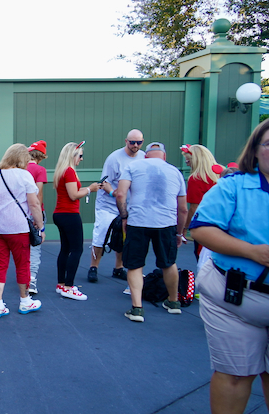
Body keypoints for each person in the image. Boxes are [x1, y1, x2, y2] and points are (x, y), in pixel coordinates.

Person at [189, 121, 269, 414]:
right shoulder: (234, 186)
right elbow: (201, 227)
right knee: (237, 373)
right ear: (255, 150)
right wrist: (253, 252)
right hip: (235, 298)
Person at [116, 142, 187, 322]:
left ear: (145, 155)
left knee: (135, 265)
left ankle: (137, 308)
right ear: (164, 156)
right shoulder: (175, 172)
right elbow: (183, 209)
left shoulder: (132, 167)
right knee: (168, 263)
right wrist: (179, 233)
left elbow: (120, 194)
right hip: (166, 223)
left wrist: (124, 217)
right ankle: (173, 302)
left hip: (138, 221)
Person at [0, 144, 44, 317]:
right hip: (17, 227)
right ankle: (25, 301)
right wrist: (40, 225)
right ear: (22, 158)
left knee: (0, 264)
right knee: (22, 264)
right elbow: (34, 203)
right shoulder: (24, 175)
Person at [88, 130, 145, 283]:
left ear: (142, 142)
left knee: (123, 236)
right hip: (108, 204)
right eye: (132, 142)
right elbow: (105, 183)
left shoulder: (143, 157)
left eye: (138, 142)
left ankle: (118, 268)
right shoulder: (114, 159)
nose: (135, 145)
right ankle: (94, 267)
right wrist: (114, 194)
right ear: (126, 141)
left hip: (129, 205)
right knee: (101, 234)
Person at [53, 141, 99, 300]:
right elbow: (73, 195)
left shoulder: (61, 171)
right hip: (69, 214)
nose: (81, 159)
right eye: (80, 155)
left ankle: (61, 284)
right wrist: (89, 189)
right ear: (72, 156)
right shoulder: (69, 172)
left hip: (61, 214)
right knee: (76, 249)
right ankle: (68, 286)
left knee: (66, 248)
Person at [180, 144, 218, 259]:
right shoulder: (219, 174)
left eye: (188, 160)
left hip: (204, 226)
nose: (186, 163)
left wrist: (184, 229)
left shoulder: (196, 179)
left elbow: (194, 208)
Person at [26, 140, 48, 294]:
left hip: (19, 212)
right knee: (35, 246)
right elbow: (38, 194)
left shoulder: (19, 168)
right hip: (34, 211)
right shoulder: (40, 170)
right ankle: (31, 280)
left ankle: (23, 276)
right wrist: (38, 216)